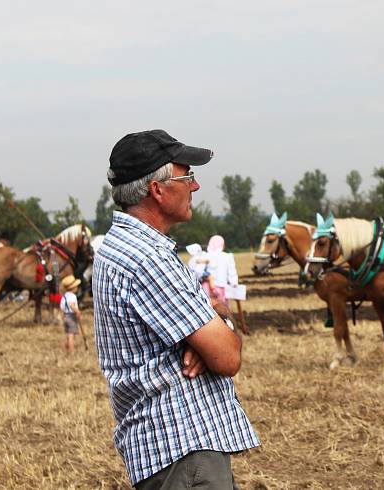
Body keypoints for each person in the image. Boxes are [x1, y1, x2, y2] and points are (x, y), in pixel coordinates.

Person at [93, 129, 259, 489]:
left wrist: (208, 323)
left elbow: (207, 336)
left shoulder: (116, 248)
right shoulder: (149, 258)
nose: (195, 187)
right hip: (183, 449)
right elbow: (227, 358)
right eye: (188, 176)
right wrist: (216, 325)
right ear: (157, 189)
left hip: (164, 450)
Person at [59, 274, 83, 354]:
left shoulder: (64, 297)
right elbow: (71, 304)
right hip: (71, 316)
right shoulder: (72, 296)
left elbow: (62, 308)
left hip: (66, 316)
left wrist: (62, 317)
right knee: (71, 335)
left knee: (68, 334)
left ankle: (66, 348)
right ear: (74, 288)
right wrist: (77, 311)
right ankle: (72, 351)